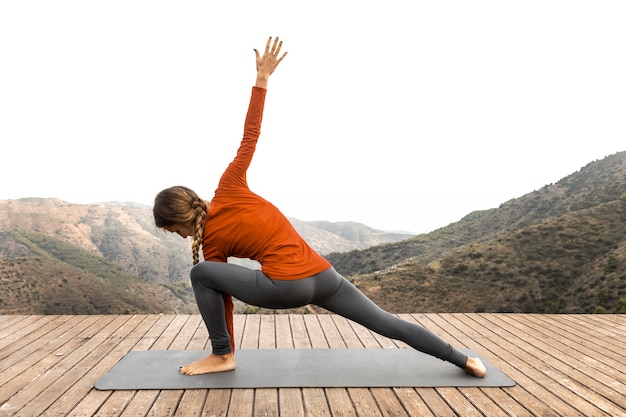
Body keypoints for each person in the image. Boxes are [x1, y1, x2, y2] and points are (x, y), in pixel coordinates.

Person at [153, 36, 487, 378]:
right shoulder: (229, 185)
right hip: (324, 276)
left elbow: (222, 301)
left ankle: (221, 356)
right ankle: (464, 360)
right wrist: (262, 81)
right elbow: (249, 136)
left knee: (200, 274)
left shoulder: (212, 242)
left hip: (285, 285)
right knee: (386, 322)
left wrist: (225, 351)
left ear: (178, 220)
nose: (179, 237)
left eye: (173, 230)